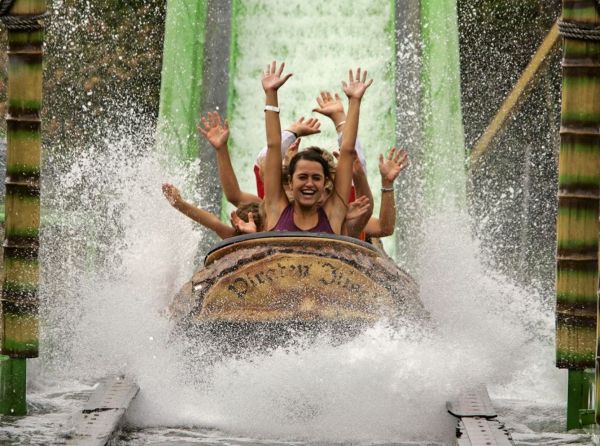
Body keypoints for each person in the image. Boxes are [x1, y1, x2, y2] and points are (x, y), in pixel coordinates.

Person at [261, 61, 372, 234]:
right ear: (290, 182)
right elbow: (273, 146)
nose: (309, 184)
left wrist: (355, 102)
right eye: (303, 177)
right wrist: (271, 94)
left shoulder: (334, 213)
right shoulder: (276, 208)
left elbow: (348, 151)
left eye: (316, 178)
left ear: (326, 182)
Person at [161, 183, 262, 239]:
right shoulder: (235, 237)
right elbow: (214, 223)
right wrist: (179, 204)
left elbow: (215, 224)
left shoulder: (235, 236)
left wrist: (180, 204)